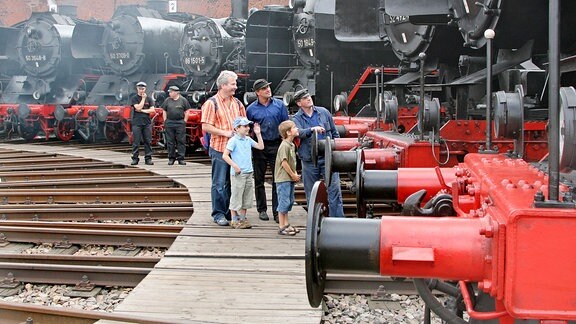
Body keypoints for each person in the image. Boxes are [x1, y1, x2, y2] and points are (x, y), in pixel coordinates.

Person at [201, 70, 247, 226]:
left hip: (236, 151)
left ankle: (230, 212)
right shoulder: (211, 103)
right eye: (233, 84)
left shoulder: (238, 103)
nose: (235, 86)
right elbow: (206, 126)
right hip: (219, 148)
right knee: (219, 183)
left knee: (232, 182)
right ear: (223, 85)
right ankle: (218, 213)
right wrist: (226, 133)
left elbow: (244, 123)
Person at [292, 88, 345, 217]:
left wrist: (335, 148)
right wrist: (312, 129)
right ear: (299, 103)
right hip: (309, 161)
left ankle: (337, 221)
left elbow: (334, 132)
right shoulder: (296, 118)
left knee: (335, 191)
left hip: (328, 158)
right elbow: (298, 132)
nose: (309, 99)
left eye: (309, 96)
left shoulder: (323, 112)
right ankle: (316, 222)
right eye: (305, 98)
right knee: (312, 194)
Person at [246, 79, 289, 223]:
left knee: (278, 179)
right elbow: (248, 129)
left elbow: (285, 125)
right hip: (259, 147)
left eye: (268, 87)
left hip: (276, 144)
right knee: (259, 179)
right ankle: (262, 209)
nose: (268, 90)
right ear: (257, 92)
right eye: (264, 88)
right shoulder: (251, 109)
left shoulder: (280, 105)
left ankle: (277, 211)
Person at [222, 117, 264, 229]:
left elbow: (260, 146)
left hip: (248, 172)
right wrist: (234, 165)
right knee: (236, 195)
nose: (247, 128)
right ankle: (234, 218)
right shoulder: (233, 140)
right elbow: (225, 155)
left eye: (248, 126)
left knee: (246, 196)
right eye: (245, 126)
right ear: (237, 128)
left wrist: (258, 134)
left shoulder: (248, 139)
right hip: (239, 173)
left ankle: (243, 218)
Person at [274, 120, 301, 236]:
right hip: (283, 178)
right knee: (283, 202)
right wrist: (293, 175)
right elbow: (284, 163)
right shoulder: (284, 145)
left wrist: (295, 173)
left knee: (289, 201)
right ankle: (281, 226)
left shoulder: (291, 144)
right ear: (289, 132)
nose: (297, 129)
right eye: (294, 127)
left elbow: (292, 161)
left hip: (289, 178)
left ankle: (286, 224)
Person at [161, 85, 191, 166]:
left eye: (171, 92)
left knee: (181, 141)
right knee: (170, 141)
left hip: (180, 122)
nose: (169, 94)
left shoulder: (183, 100)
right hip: (169, 122)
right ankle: (171, 158)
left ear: (176, 92)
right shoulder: (167, 100)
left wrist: (185, 120)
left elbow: (187, 110)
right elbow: (164, 110)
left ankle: (181, 158)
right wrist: (165, 120)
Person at [130, 81, 155, 165]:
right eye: (140, 89)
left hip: (147, 122)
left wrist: (143, 111)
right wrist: (143, 99)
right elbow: (138, 107)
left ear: (145, 89)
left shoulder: (150, 99)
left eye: (143, 89)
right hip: (137, 122)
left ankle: (148, 158)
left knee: (148, 141)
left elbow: (152, 110)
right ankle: (135, 158)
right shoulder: (134, 98)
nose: (141, 90)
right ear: (137, 89)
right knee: (136, 141)